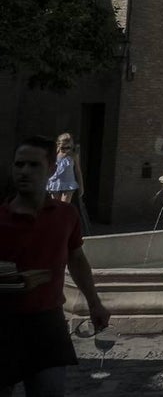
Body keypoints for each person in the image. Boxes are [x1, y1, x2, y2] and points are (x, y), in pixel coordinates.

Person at [1, 136, 110, 396]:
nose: (24, 171)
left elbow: (76, 259)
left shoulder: (65, 216)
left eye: (33, 165)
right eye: (19, 165)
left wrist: (95, 302)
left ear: (52, 168)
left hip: (47, 322)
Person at [46, 134, 81, 204]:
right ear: (58, 145)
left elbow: (78, 171)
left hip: (68, 183)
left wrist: (81, 187)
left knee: (65, 205)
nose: (65, 150)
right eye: (63, 148)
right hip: (55, 182)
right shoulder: (55, 154)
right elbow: (49, 168)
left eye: (68, 148)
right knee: (55, 205)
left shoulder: (73, 156)